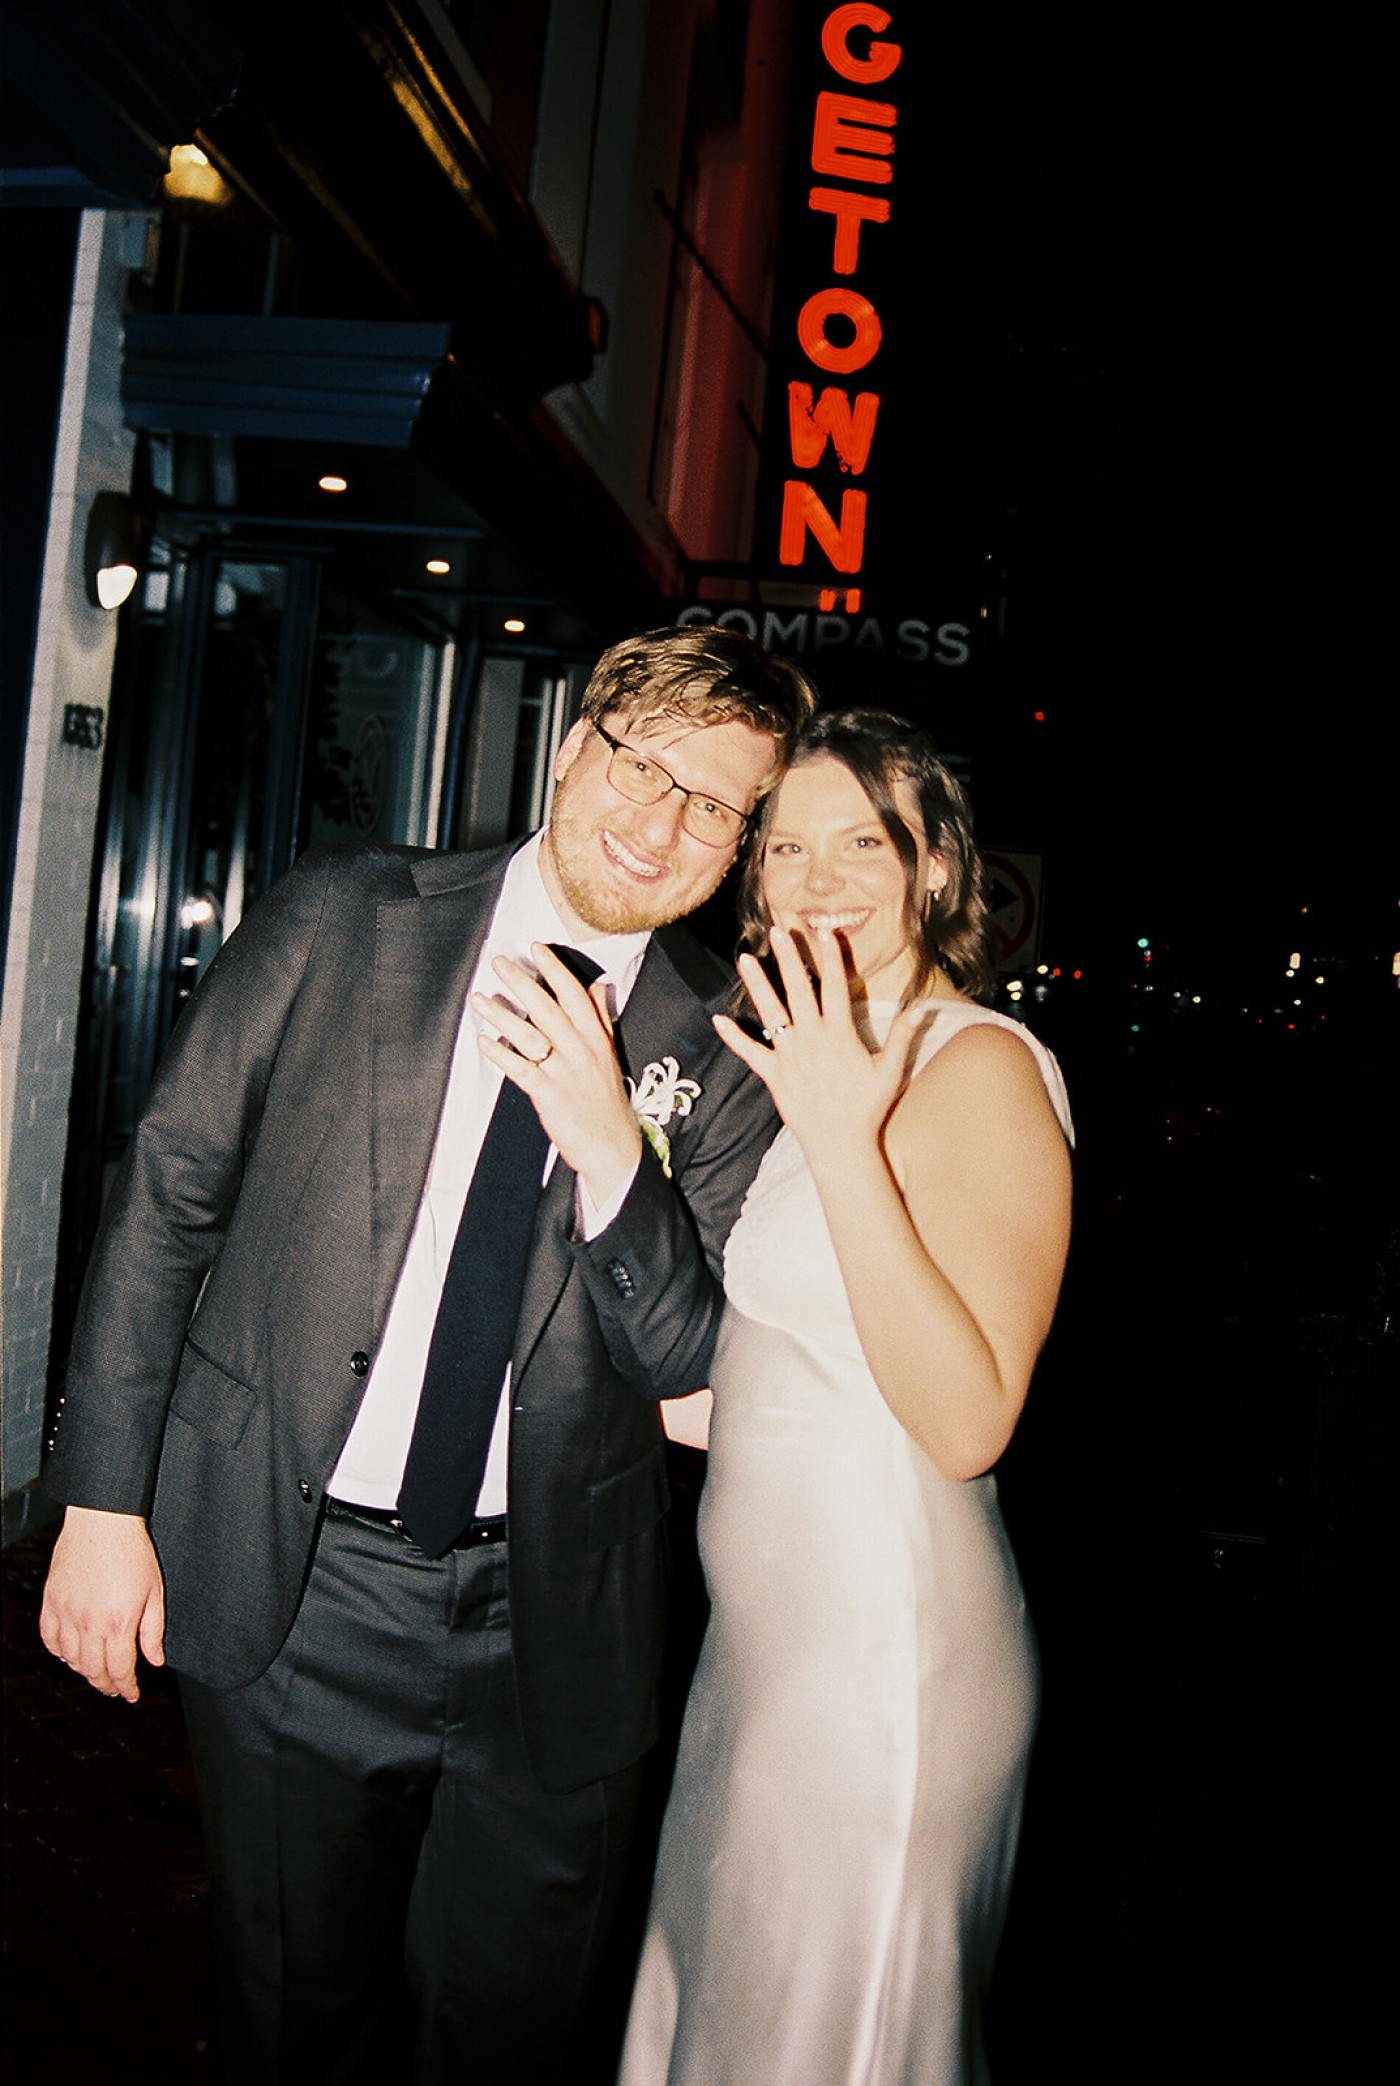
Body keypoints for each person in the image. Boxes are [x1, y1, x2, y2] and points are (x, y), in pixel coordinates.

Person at [38, 626, 817, 2085]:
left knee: (510, 2040)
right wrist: (99, 1497)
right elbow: (171, 1188)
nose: (660, 828)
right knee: (296, 2019)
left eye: (713, 807)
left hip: (557, 1631)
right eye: (644, 769)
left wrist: (609, 1156)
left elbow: (702, 1365)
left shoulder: (716, 1049)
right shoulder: (348, 911)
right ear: (575, 744)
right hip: (298, 1586)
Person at [618, 709, 1074, 2086]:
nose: (812, 879)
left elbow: (968, 1418)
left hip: (883, 1675)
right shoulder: (823, 1053)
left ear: (934, 866)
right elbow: (774, 1367)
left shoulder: (975, 1065)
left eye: (858, 843)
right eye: (785, 848)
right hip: (762, 1662)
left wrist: (840, 1135)